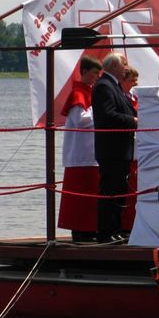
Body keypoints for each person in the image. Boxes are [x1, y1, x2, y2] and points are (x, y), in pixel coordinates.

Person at [92, 52, 138, 243]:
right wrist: (134, 120)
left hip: (121, 148)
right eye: (124, 64)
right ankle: (105, 232)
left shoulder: (115, 86)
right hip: (111, 149)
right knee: (110, 191)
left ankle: (115, 230)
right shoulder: (104, 86)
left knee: (119, 191)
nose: (126, 67)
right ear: (113, 66)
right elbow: (107, 115)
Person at [57, 55, 103, 242]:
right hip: (80, 153)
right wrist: (99, 112)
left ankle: (90, 228)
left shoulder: (89, 91)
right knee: (80, 196)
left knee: (91, 194)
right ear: (84, 72)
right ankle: (80, 229)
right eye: (94, 73)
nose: (96, 77)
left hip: (90, 151)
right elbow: (81, 120)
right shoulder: (78, 93)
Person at [120, 66, 139, 234]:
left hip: (137, 146)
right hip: (127, 146)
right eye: (132, 80)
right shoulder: (122, 98)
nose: (136, 83)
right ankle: (125, 225)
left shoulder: (134, 98)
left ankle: (131, 224)